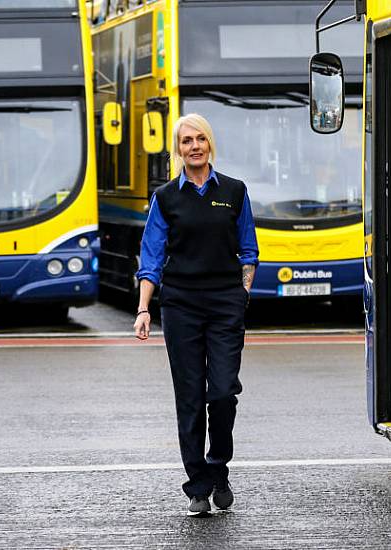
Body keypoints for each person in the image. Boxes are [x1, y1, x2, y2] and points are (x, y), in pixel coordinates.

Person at [133, 113, 259, 515]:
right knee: (189, 398)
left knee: (222, 393)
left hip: (224, 303)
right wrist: (143, 309)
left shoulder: (235, 191)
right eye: (186, 141)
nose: (194, 146)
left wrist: (241, 295)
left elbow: (249, 250)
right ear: (178, 149)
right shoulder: (166, 197)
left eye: (200, 138)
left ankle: (219, 467)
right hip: (181, 304)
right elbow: (151, 256)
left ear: (210, 144)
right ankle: (199, 486)